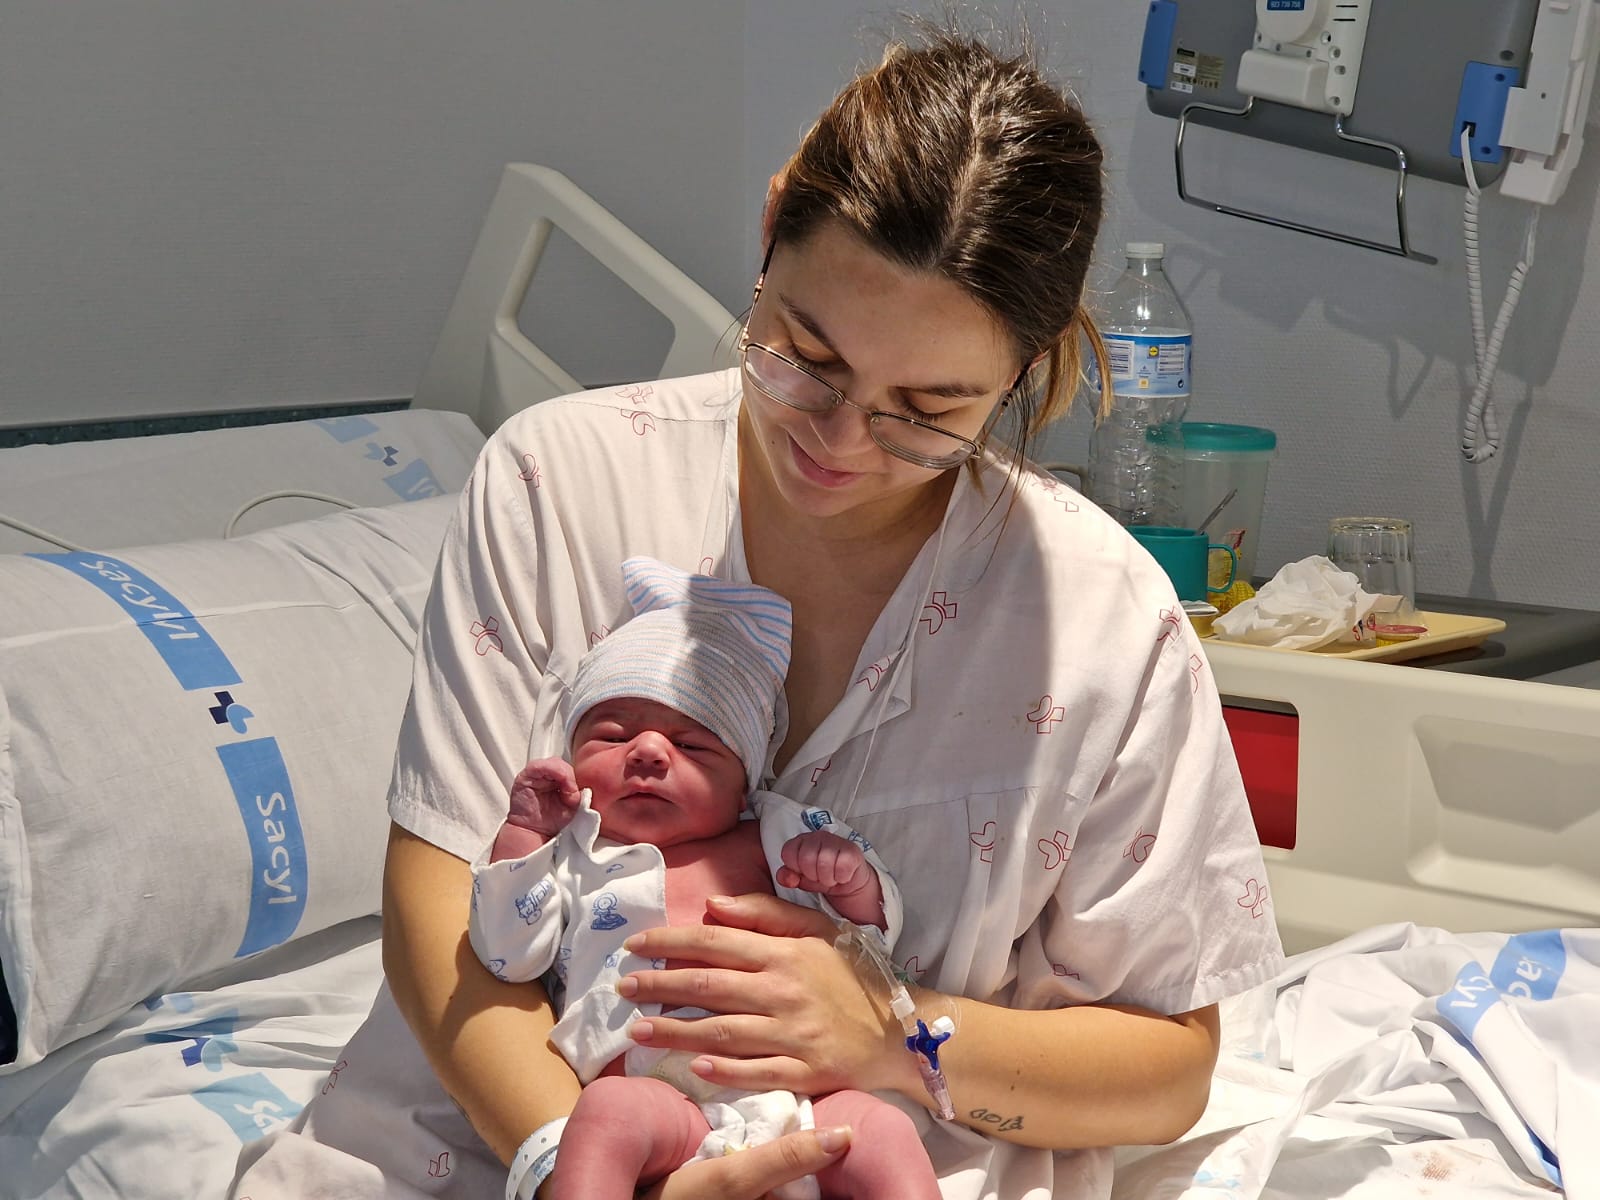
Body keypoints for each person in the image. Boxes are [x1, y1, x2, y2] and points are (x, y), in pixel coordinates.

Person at [231, 21, 1284, 1200]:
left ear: (1032, 371)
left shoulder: (1097, 616)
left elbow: (1165, 1067)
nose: (838, 444)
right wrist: (566, 1164)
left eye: (927, 411)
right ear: (775, 219)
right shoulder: (561, 485)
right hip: (502, 1144)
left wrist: (892, 1032)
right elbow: (433, 904)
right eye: (805, 354)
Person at [471, 555, 938, 1200]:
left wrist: (848, 880)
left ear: (745, 779)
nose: (649, 752)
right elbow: (505, 957)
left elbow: (869, 954)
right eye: (612, 736)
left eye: (692, 745)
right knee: (602, 1117)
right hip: (654, 1096)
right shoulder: (573, 850)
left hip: (796, 1092)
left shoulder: (774, 833)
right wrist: (524, 837)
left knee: (883, 1131)